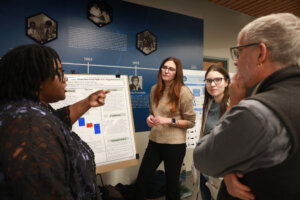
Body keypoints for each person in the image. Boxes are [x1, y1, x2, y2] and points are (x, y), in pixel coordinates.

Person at [193, 13, 300, 200]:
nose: (236, 61)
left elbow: (204, 158)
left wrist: (235, 104)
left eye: (239, 52)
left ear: (260, 53)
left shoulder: (255, 112)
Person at [0, 44, 110, 199]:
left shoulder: (27, 110)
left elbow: (56, 121)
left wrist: (87, 102)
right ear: (37, 79)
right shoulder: (31, 129)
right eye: (60, 72)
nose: (65, 78)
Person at [135, 57, 196, 200]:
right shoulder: (155, 89)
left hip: (174, 146)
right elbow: (152, 112)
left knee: (172, 187)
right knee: (141, 182)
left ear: (177, 73)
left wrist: (168, 120)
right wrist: (149, 118)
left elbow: (190, 122)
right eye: (164, 67)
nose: (166, 71)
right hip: (155, 142)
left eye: (171, 69)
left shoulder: (184, 92)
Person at [198, 65, 230, 200]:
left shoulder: (232, 106)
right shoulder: (208, 104)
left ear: (227, 82)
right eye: (209, 81)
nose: (213, 84)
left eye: (218, 80)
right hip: (205, 165)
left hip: (221, 169)